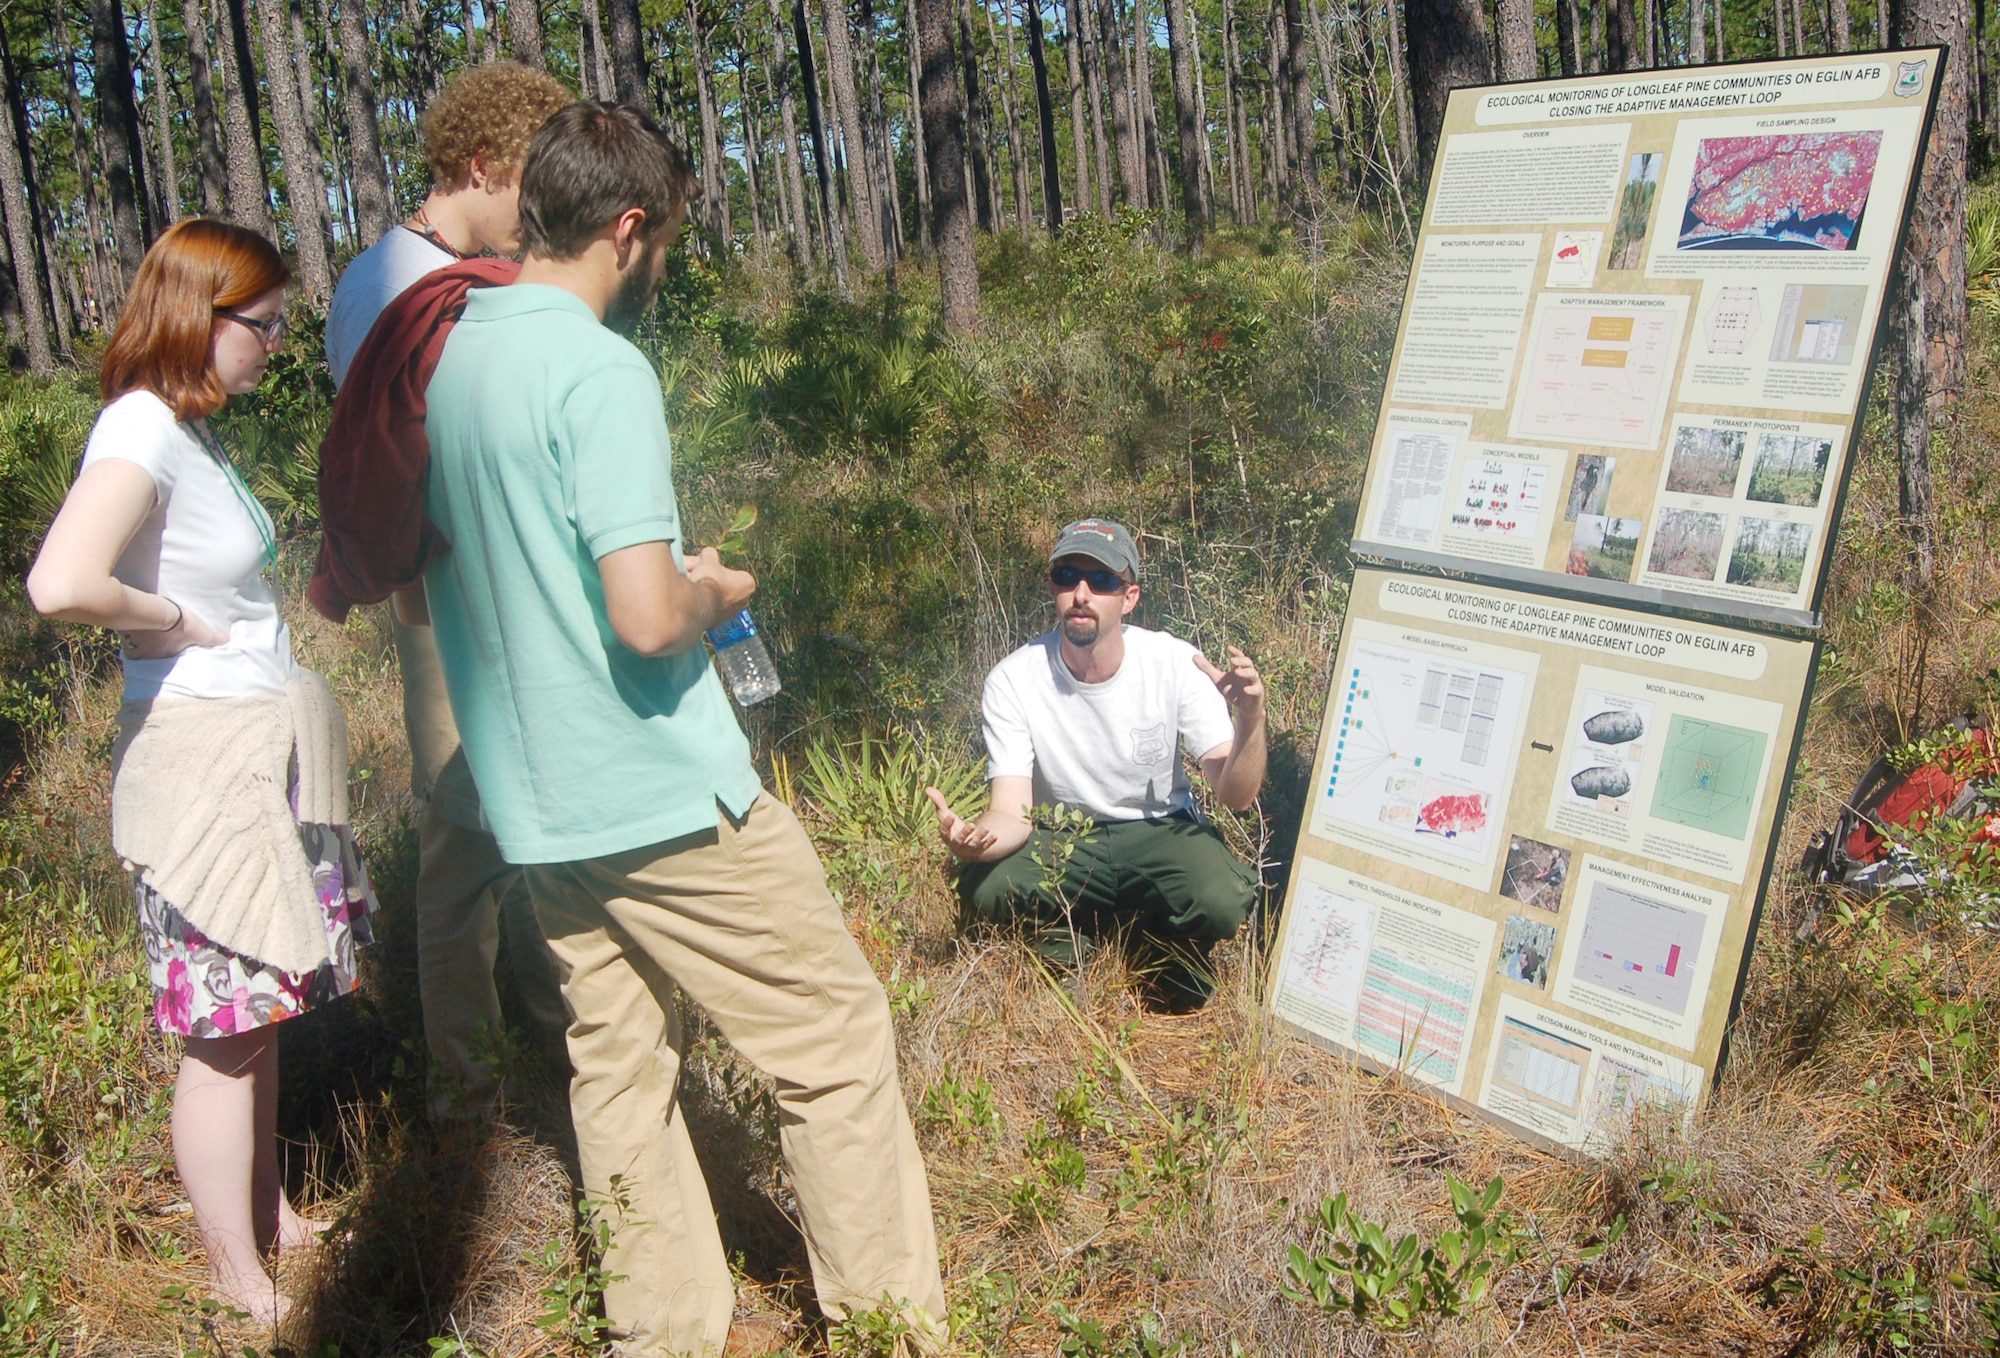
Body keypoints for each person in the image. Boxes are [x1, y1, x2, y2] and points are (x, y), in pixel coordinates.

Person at [417, 101, 945, 1357]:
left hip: (534, 797)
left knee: (616, 1066)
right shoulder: (599, 369)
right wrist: (714, 589)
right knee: (833, 1040)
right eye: (665, 248)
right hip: (656, 788)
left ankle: (662, 1329)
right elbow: (647, 621)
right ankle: (885, 1327)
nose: (662, 273)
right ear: (630, 226)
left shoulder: (450, 357)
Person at [26, 219, 376, 1324]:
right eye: (262, 325)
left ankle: (269, 1215)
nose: (274, 345)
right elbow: (59, 581)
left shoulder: (189, 431)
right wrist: (170, 618)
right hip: (198, 765)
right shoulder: (139, 426)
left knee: (256, 1007)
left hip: (249, 751)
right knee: (220, 1032)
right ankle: (237, 1278)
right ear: (201, 314)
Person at [324, 59, 574, 1120]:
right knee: (462, 836)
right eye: (528, 187)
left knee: (543, 818)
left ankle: (557, 1037)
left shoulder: (467, 276)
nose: (538, 216)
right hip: (441, 602)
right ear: (478, 165)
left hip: (512, 595)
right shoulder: (391, 283)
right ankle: (464, 1091)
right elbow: (402, 462)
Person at [926, 519, 1266, 1011]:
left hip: (1157, 829)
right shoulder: (1013, 679)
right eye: (1067, 577)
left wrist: (1251, 719)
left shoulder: (1174, 663)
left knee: (1220, 896)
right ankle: (1067, 952)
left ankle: (1164, 948)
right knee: (985, 887)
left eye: (1101, 581)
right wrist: (975, 840)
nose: (1081, 594)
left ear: (1129, 597)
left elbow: (1236, 794)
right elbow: (1010, 812)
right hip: (1063, 835)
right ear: (1053, 589)